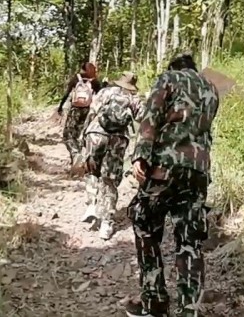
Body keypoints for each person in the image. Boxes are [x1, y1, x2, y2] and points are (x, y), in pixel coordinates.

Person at [125, 53, 220, 317]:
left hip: (164, 169)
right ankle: (189, 309)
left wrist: (141, 156)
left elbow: (151, 117)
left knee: (145, 227)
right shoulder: (211, 88)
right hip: (198, 172)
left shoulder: (168, 79)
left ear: (173, 68)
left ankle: (154, 303)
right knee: (190, 241)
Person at [81, 71, 141, 240]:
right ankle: (107, 222)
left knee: (91, 171)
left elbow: (92, 112)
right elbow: (142, 118)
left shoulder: (105, 92)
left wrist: (84, 133)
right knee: (110, 179)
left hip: (95, 134)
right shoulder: (133, 99)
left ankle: (91, 205)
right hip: (117, 140)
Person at [56, 61, 100, 167]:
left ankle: (75, 155)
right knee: (80, 135)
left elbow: (67, 94)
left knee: (68, 134)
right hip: (87, 110)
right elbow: (100, 94)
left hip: (75, 110)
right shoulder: (94, 81)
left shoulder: (76, 78)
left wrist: (60, 108)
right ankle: (80, 159)